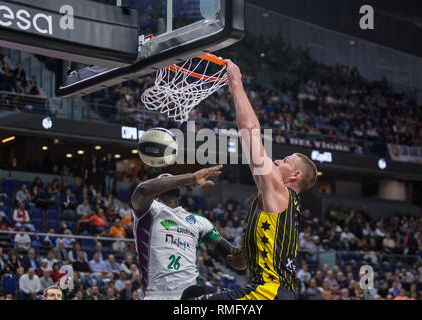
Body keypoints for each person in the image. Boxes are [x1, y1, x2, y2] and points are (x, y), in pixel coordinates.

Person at [183, 60, 317, 300]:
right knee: (195, 294)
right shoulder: (273, 202)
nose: (277, 161)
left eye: (285, 161)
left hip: (268, 294)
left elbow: (251, 133)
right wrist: (244, 257)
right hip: (278, 293)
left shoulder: (282, 192)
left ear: (295, 176)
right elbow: (269, 248)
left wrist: (235, 82)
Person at [131, 168, 237, 300]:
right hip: (157, 295)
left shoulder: (199, 220)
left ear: (180, 195)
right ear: (155, 194)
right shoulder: (148, 212)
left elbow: (234, 257)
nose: (168, 182)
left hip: (191, 296)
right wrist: (190, 178)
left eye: (170, 181)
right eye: (164, 182)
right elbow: (142, 190)